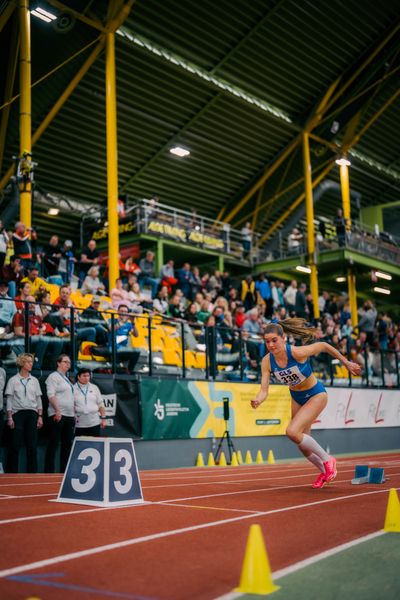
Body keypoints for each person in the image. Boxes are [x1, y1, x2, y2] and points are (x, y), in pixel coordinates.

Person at [251, 318, 361, 488]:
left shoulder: (296, 352)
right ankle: (326, 472)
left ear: (283, 338)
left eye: (274, 340)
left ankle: (327, 460)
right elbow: (264, 390)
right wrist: (259, 399)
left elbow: (323, 346)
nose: (271, 345)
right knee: (302, 446)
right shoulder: (267, 362)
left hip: (315, 395)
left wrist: (346, 363)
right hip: (297, 397)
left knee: (292, 431)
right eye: (267, 342)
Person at [5, 353, 43, 472]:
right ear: (22, 363)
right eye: (28, 362)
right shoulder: (13, 380)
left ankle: (32, 474)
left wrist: (40, 416)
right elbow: (9, 399)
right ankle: (12, 474)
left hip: (32, 414)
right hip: (18, 414)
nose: (31, 364)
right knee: (15, 445)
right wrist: (10, 417)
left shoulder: (34, 380)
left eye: (31, 362)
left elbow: (38, 399)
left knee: (32, 446)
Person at [44, 354, 75, 473]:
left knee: (67, 444)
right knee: (53, 443)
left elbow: (69, 397)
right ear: (58, 363)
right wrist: (57, 410)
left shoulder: (66, 378)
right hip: (58, 414)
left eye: (69, 362)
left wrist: (73, 413)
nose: (68, 364)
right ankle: (49, 473)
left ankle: (64, 471)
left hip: (69, 415)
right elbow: (51, 395)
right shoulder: (53, 377)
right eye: (65, 362)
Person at [73, 367, 106, 437]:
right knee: (81, 445)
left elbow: (100, 404)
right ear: (78, 377)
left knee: (95, 445)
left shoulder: (94, 387)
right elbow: (71, 405)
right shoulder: (73, 389)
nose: (86, 378)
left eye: (88, 376)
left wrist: (103, 418)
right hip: (80, 424)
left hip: (94, 423)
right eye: (84, 376)